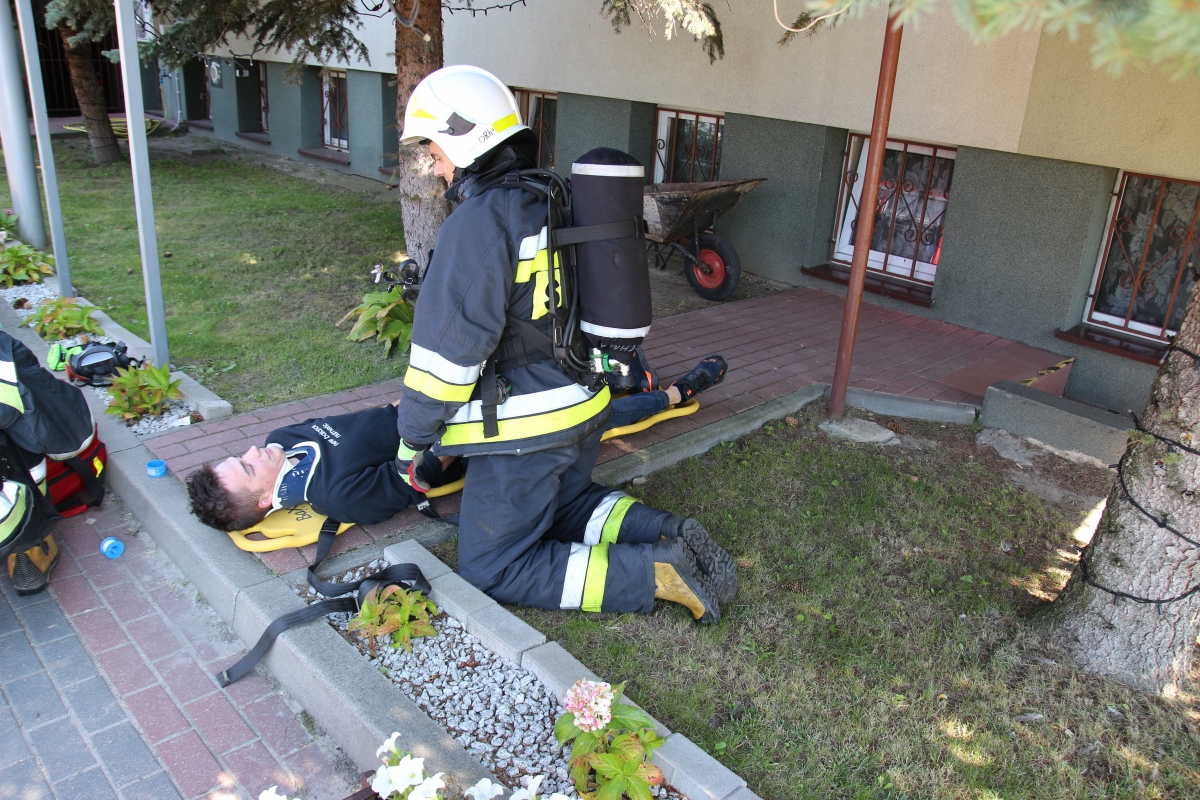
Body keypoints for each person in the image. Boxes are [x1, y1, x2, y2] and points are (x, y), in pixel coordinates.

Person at [392, 65, 735, 623]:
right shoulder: (551, 197)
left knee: (493, 565)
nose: (436, 165)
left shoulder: (478, 222)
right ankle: (666, 532)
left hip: (525, 431)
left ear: (465, 137)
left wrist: (412, 442)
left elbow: (446, 358)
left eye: (436, 149)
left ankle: (652, 572)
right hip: (584, 406)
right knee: (562, 504)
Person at [186, 354, 728, 533]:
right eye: (248, 467)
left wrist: (422, 398)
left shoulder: (281, 439)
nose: (253, 452)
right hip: (455, 439)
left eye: (240, 455)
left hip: (423, 409)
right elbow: (419, 476)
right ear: (266, 499)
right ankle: (674, 394)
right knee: (571, 417)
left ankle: (620, 374)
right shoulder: (337, 495)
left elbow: (363, 419)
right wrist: (456, 424)